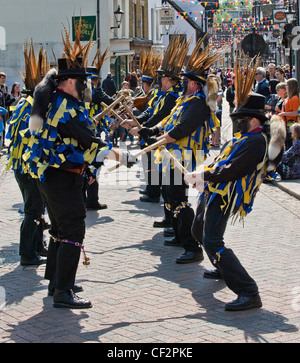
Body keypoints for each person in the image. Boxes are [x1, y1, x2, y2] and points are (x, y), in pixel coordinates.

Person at [24, 23, 137, 309]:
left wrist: (92, 162)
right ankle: (63, 291)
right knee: (73, 230)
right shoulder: (66, 107)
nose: (87, 85)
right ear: (69, 81)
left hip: (53, 177)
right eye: (83, 80)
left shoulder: (58, 102)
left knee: (62, 229)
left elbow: (78, 141)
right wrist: (124, 157)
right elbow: (90, 143)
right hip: (60, 179)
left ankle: (56, 282)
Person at [185, 55, 273, 311]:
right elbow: (221, 163)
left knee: (211, 241)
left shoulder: (255, 141)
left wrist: (203, 176)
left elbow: (231, 170)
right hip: (214, 191)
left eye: (241, 118)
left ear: (254, 120)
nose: (237, 122)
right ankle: (222, 266)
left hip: (226, 195)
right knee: (198, 232)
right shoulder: (243, 138)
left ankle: (248, 290)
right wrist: (204, 175)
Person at [138, 37, 221, 264]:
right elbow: (168, 121)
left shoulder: (198, 104)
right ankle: (178, 234)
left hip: (184, 155)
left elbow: (182, 129)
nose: (181, 83)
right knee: (171, 195)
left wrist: (157, 138)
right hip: (173, 155)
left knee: (178, 198)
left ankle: (192, 246)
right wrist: (151, 129)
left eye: (185, 81)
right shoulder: (186, 100)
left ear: (194, 84)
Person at [5, 40, 49, 266]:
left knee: (37, 208)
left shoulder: (24, 102)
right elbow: (34, 138)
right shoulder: (33, 107)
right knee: (32, 210)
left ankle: (38, 245)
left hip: (23, 167)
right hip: (28, 167)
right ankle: (27, 254)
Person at [278, 78, 300, 149]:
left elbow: (295, 113)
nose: (285, 87)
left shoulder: (295, 98)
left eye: (287, 85)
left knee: (290, 144)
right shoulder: (288, 98)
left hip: (291, 125)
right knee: (287, 144)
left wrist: (283, 113)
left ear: (291, 86)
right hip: (285, 125)